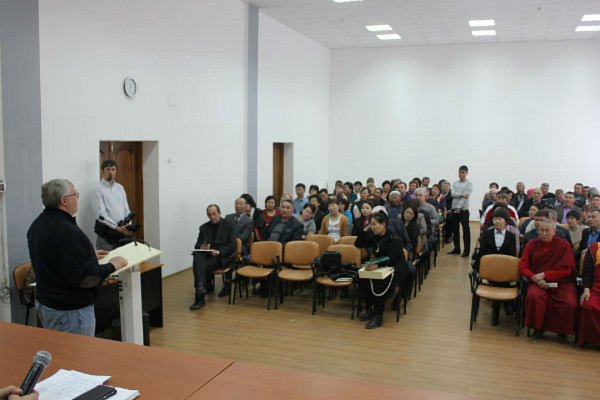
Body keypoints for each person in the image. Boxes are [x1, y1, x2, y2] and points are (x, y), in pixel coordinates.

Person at [27, 179, 127, 336]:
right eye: (75, 194)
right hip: (70, 311)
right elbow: (87, 278)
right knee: (78, 351)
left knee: (57, 348)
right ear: (64, 201)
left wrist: (87, 254)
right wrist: (113, 265)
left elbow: (56, 256)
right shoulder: (67, 231)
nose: (77, 198)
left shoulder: (38, 224)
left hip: (47, 304)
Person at [520, 219, 578, 340]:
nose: (544, 233)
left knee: (569, 303)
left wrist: (545, 275)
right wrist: (536, 279)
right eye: (541, 230)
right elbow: (523, 267)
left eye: (547, 230)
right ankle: (538, 329)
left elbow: (567, 269)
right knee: (534, 297)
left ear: (554, 231)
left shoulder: (564, 245)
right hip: (537, 281)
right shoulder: (531, 244)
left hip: (562, 281)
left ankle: (562, 331)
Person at [355, 212, 410, 329]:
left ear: (383, 224)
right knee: (362, 279)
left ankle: (378, 316)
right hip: (380, 266)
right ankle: (369, 308)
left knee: (380, 283)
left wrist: (375, 266)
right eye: (371, 224)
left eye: (374, 224)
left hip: (396, 267)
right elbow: (358, 243)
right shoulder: (375, 237)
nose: (372, 227)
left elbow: (391, 258)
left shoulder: (394, 238)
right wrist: (365, 229)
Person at [190, 204, 236, 309]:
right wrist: (202, 246)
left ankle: (200, 296)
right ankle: (201, 286)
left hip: (221, 257)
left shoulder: (229, 225)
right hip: (207, 255)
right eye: (209, 215)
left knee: (199, 266)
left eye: (214, 214)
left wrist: (218, 252)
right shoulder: (204, 227)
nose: (212, 217)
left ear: (219, 213)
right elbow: (197, 245)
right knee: (197, 255)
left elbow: (232, 245)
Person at [478, 208, 518, 326]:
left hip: (506, 270)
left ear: (505, 221)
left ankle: (495, 311)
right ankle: (504, 306)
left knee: (500, 279)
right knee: (497, 279)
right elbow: (482, 253)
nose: (497, 221)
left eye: (499, 219)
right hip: (490, 269)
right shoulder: (487, 234)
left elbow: (512, 255)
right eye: (495, 219)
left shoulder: (511, 236)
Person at [91, 160, 132, 250]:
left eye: (113, 169)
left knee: (125, 257)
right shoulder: (97, 189)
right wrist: (117, 228)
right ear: (102, 171)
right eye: (108, 169)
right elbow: (101, 215)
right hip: (106, 233)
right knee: (107, 257)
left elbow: (126, 209)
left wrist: (128, 225)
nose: (111, 172)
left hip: (122, 232)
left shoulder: (120, 188)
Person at [578, 241, 600, 347]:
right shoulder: (595, 248)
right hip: (596, 287)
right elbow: (587, 273)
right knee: (588, 305)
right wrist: (586, 290)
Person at [448, 165, 473, 257]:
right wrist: (462, 194)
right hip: (454, 209)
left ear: (466, 173)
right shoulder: (455, 183)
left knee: (466, 231)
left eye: (463, 173)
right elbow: (452, 194)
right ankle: (457, 249)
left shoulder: (469, 184)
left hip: (463, 210)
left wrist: (459, 207)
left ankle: (466, 251)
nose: (461, 174)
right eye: (460, 172)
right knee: (455, 230)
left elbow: (465, 197)